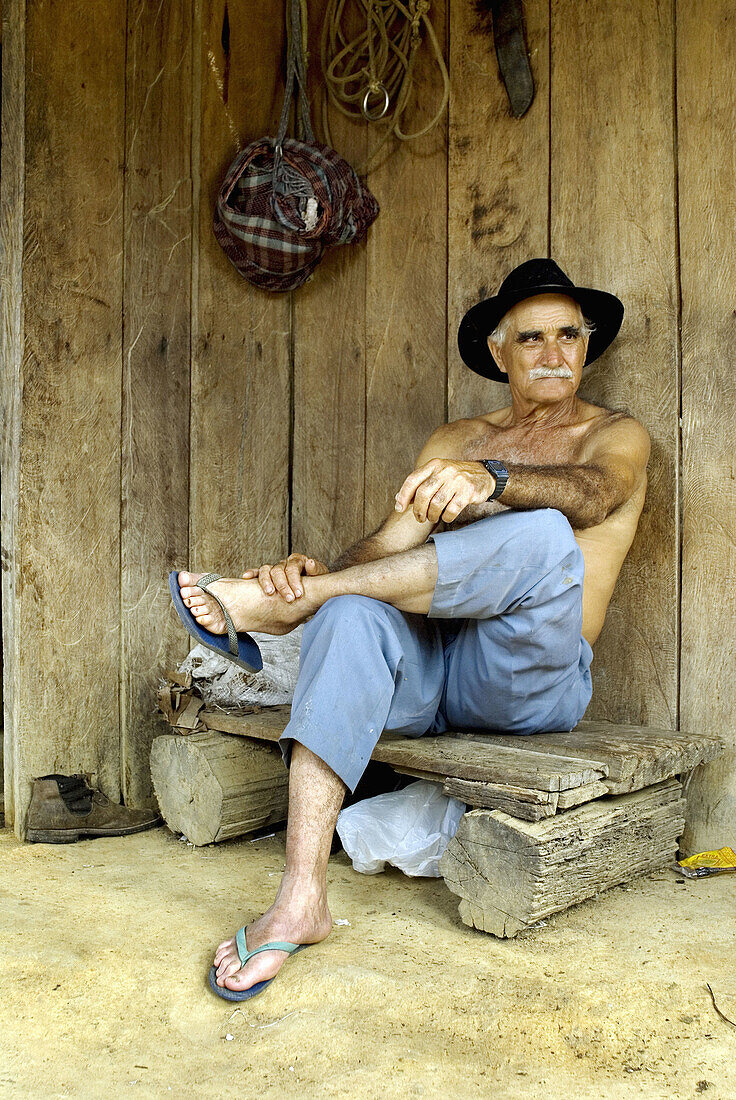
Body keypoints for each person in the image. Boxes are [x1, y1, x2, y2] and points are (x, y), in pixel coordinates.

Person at [173, 258, 650, 1001]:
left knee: (547, 533)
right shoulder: (453, 439)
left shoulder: (615, 437)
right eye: (532, 339)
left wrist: (492, 481)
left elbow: (594, 498)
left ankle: (292, 612)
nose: (554, 352)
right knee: (355, 607)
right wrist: (320, 576)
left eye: (568, 335)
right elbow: (385, 554)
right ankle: (301, 897)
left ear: (587, 346)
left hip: (527, 682)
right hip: (433, 675)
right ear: (500, 353)